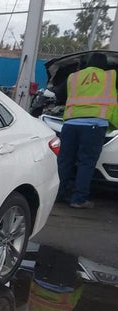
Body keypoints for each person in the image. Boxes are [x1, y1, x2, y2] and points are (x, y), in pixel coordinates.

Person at [57, 52, 118, 208]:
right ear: (105, 65)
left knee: (64, 161)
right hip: (94, 125)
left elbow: (59, 94)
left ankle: (58, 194)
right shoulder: (110, 77)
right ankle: (79, 199)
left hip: (70, 124)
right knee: (86, 162)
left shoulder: (74, 77)